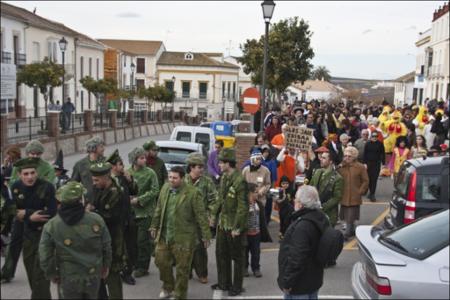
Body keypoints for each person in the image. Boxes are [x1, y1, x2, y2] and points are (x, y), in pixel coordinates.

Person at [39, 181, 112, 299]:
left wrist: (51, 273)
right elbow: (106, 246)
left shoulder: (52, 225)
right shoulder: (96, 220)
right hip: (93, 275)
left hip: (68, 277)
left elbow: (45, 255)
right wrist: (106, 265)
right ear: (81, 200)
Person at [150, 166, 211, 300]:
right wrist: (154, 225)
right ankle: (168, 287)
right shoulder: (165, 188)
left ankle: (180, 294)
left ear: (182, 178)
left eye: (175, 178)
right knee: (160, 262)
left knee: (182, 269)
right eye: (170, 177)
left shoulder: (193, 193)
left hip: (184, 238)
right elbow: (159, 208)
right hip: (165, 235)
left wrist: (206, 235)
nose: (171, 180)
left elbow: (201, 215)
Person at [2, 140, 56, 284]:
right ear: (27, 153)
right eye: (32, 153)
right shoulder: (19, 166)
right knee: (14, 243)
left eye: (38, 153)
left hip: (39, 213)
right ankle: (7, 271)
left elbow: (47, 188)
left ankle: (43, 273)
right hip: (20, 213)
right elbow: (14, 185)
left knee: (40, 247)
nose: (34, 156)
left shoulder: (47, 168)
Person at [10, 157, 57, 299]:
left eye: (32, 173)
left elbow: (52, 212)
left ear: (37, 173)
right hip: (27, 236)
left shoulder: (47, 187)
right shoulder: (16, 187)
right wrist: (29, 215)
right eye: (26, 174)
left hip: (44, 236)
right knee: (32, 274)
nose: (30, 177)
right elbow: (13, 210)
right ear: (19, 174)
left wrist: (27, 213)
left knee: (40, 276)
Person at [277, 185, 330, 300]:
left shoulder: (303, 227)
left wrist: (287, 282)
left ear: (301, 204)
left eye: (296, 198)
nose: (294, 200)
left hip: (299, 285)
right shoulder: (320, 217)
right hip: (313, 279)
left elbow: (297, 258)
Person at [210, 148, 249, 297]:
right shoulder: (225, 177)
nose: (219, 165)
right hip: (223, 223)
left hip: (234, 225)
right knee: (221, 254)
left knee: (237, 257)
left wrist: (238, 227)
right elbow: (220, 198)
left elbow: (243, 207)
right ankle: (223, 282)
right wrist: (214, 215)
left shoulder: (240, 181)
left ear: (228, 163)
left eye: (221, 162)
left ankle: (237, 286)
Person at [89, 162, 126, 299]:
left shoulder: (116, 192)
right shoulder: (98, 189)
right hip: (99, 240)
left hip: (113, 240)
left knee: (112, 276)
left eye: (96, 180)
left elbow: (110, 217)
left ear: (106, 177)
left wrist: (92, 213)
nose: (94, 183)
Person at [106, 149, 139, 286]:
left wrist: (130, 181)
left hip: (128, 219)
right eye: (120, 164)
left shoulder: (124, 178)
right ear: (113, 166)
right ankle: (119, 272)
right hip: (116, 221)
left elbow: (135, 191)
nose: (123, 167)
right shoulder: (108, 181)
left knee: (131, 248)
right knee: (117, 249)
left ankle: (127, 272)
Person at [184, 152, 218, 284]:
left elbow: (214, 201)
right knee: (185, 248)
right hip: (185, 221)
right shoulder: (183, 181)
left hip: (200, 221)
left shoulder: (207, 182)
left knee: (200, 248)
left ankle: (202, 273)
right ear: (191, 167)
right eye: (199, 167)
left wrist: (211, 216)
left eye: (202, 167)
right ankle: (187, 272)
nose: (202, 169)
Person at [127, 147, 160, 278]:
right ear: (134, 160)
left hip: (145, 213)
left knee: (143, 242)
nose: (144, 160)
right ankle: (134, 264)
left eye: (144, 157)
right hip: (131, 213)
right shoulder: (127, 173)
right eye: (141, 158)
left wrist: (139, 200)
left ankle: (143, 267)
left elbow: (155, 190)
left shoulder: (150, 173)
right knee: (132, 241)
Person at [338, 147, 369, 240]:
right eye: (345, 156)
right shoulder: (341, 167)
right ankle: (351, 230)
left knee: (351, 215)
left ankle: (347, 233)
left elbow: (365, 180)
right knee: (345, 214)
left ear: (354, 157)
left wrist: (360, 191)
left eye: (349, 156)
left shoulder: (360, 167)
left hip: (355, 195)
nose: (347, 158)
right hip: (344, 194)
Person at [309, 151, 343, 229]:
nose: (321, 159)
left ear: (330, 161)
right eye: (321, 157)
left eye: (324, 158)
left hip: (328, 215)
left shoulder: (338, 178)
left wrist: (322, 207)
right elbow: (311, 188)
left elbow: (336, 198)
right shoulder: (317, 172)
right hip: (314, 212)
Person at [71, 136, 105, 203]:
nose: (104, 149)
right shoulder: (80, 165)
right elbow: (74, 184)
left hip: (104, 200)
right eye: (101, 147)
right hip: (88, 202)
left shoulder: (106, 162)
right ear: (93, 148)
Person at [363, 132, 385, 202]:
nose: (374, 137)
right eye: (373, 136)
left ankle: (372, 194)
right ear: (371, 136)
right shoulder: (368, 144)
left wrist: (383, 163)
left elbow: (383, 153)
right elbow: (365, 154)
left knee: (374, 179)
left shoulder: (380, 144)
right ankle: (370, 191)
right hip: (369, 163)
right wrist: (364, 163)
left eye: (376, 136)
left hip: (376, 163)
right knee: (369, 179)